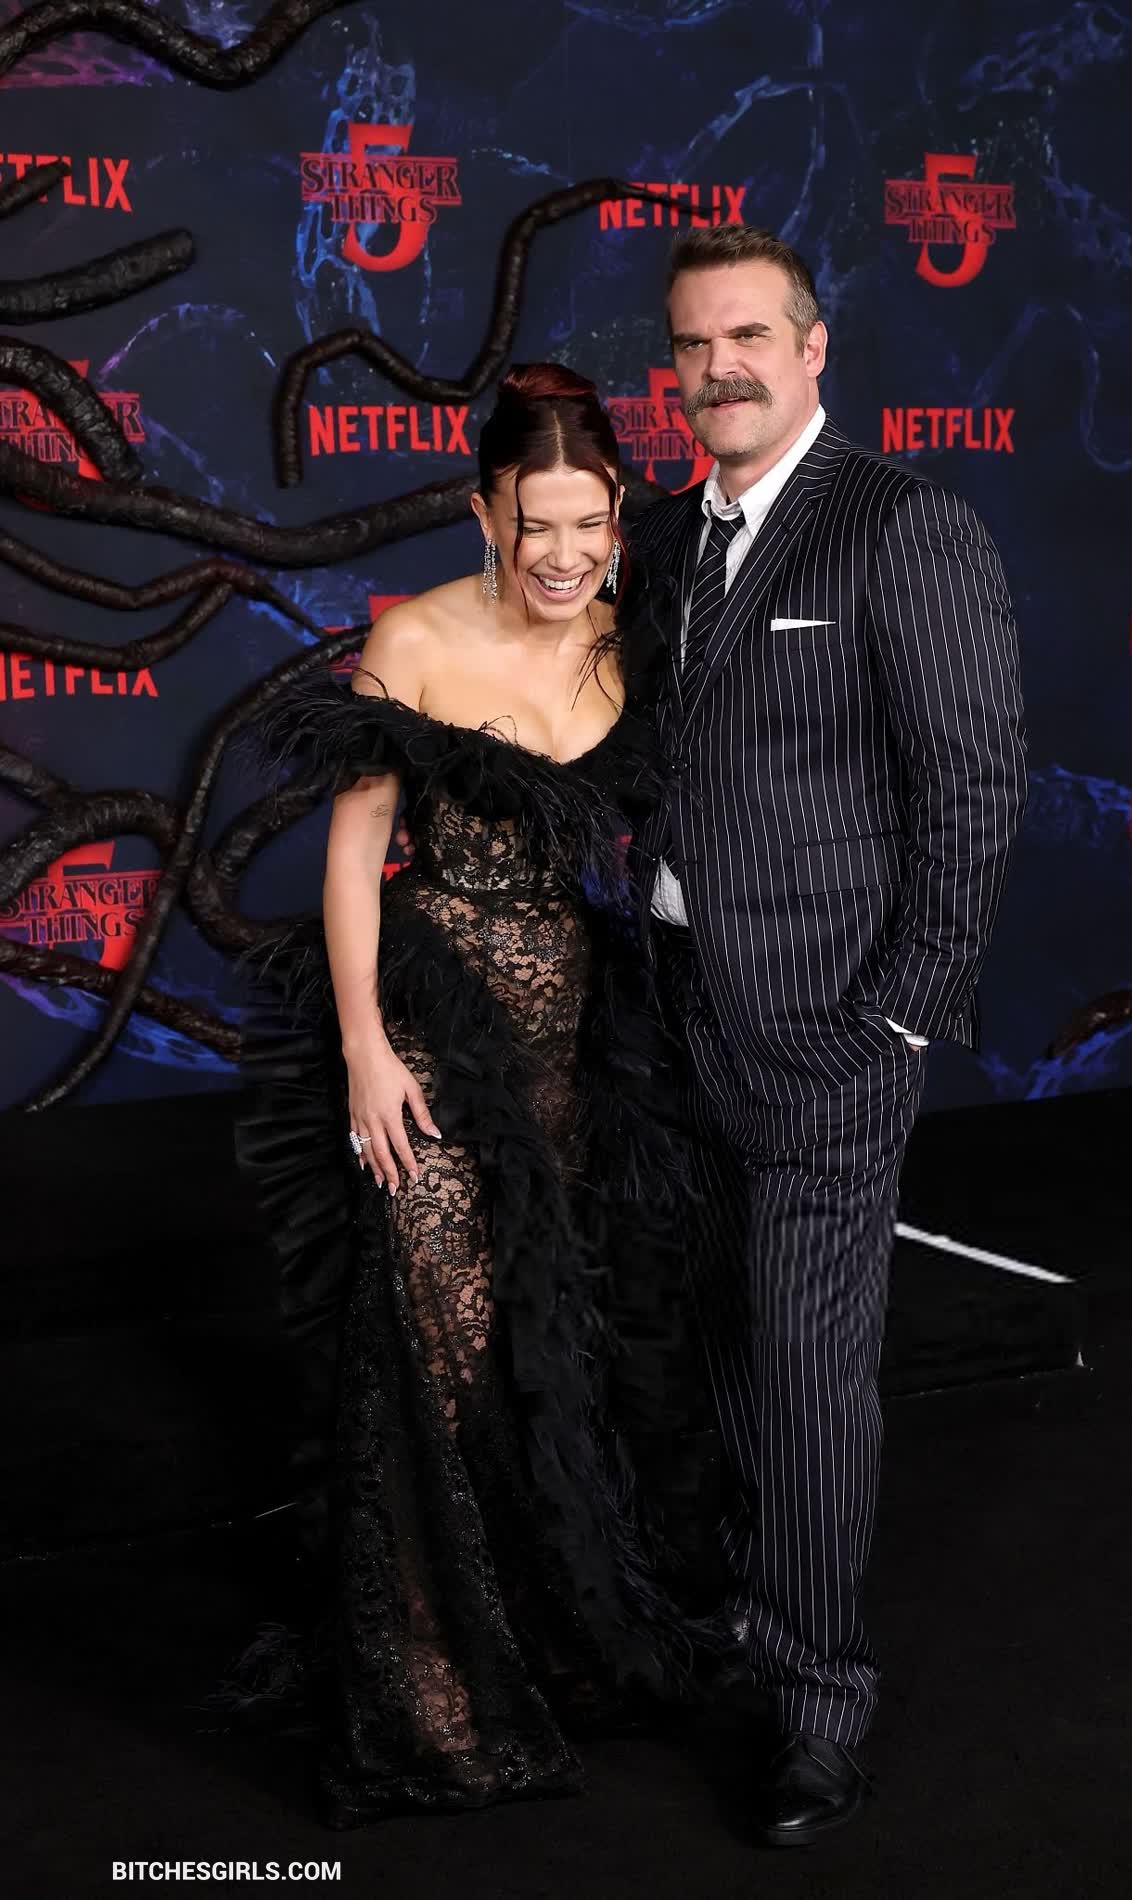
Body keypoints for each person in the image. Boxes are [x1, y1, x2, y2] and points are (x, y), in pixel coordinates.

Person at [227, 362, 713, 1829]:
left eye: (588, 523)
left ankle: (544, 1627)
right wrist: (364, 1048)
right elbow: (352, 854)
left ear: (618, 513)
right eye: (532, 523)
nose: (562, 554)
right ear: (482, 512)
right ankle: (433, 1692)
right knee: (430, 1336)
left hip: (572, 1030)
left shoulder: (636, 633)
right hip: (432, 1022)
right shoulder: (416, 639)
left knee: (536, 1329)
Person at [626, 226, 1028, 1848]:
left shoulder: (901, 525)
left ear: (811, 349)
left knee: (805, 1372)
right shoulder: (661, 536)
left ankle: (816, 1706)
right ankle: (751, 1610)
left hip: (827, 1030)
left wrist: (899, 1016)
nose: (716, 367)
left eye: (747, 336)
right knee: (724, 1340)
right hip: (671, 1012)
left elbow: (972, 789)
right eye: (691, 345)